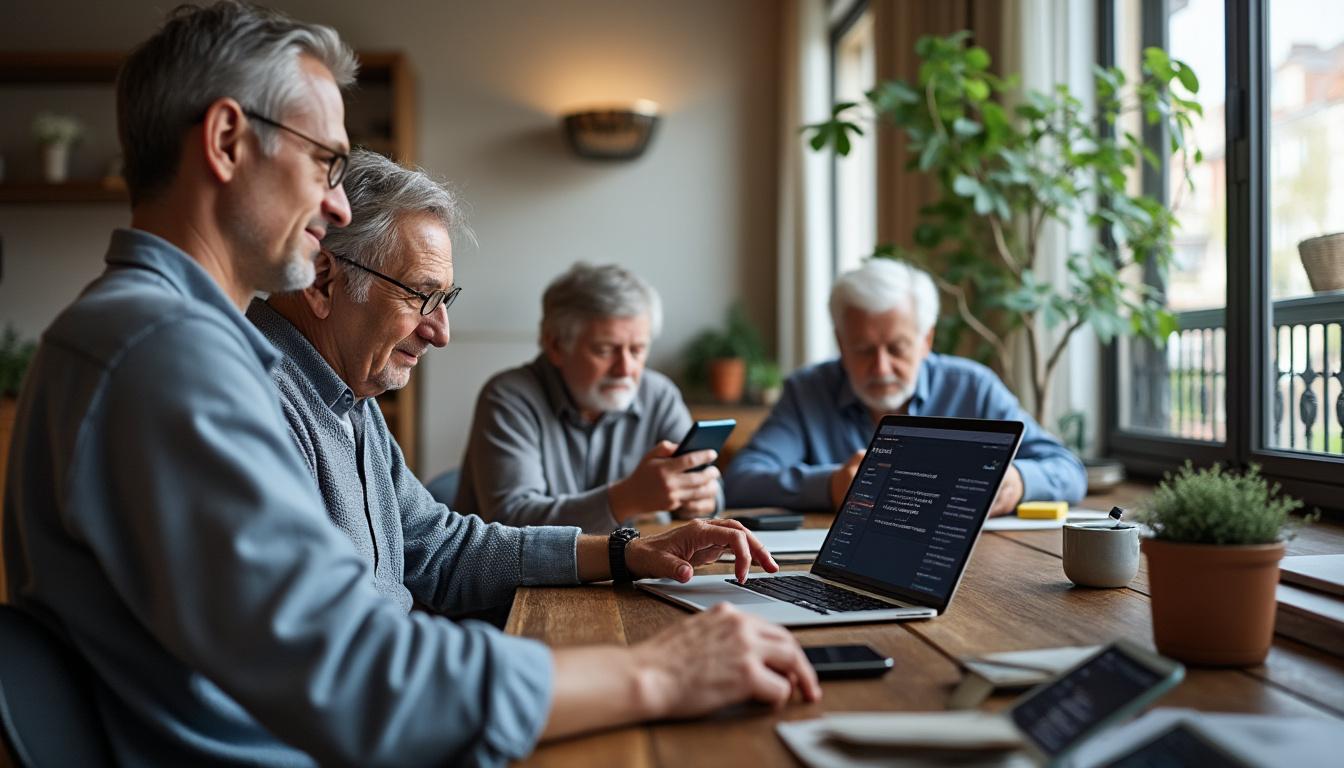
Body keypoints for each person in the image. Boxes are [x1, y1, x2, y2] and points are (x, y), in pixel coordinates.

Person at [2, 5, 817, 768]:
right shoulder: (170, 356)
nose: (333, 203)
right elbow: (356, 673)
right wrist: (660, 673)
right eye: (325, 161)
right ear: (226, 141)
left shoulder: (258, 367)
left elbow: (435, 549)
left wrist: (619, 552)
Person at [723, 258, 1086, 514]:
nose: (881, 368)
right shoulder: (808, 392)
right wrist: (831, 485)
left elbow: (1068, 470)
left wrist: (1018, 481)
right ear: (841, 342)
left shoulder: (972, 388)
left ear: (926, 340)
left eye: (897, 348)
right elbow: (740, 481)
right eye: (863, 349)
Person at [455, 262, 722, 532]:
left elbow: (711, 489)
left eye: (637, 350)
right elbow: (511, 522)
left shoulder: (659, 395)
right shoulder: (507, 397)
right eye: (605, 350)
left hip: (631, 558)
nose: (626, 369)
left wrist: (699, 499)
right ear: (555, 345)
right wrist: (626, 499)